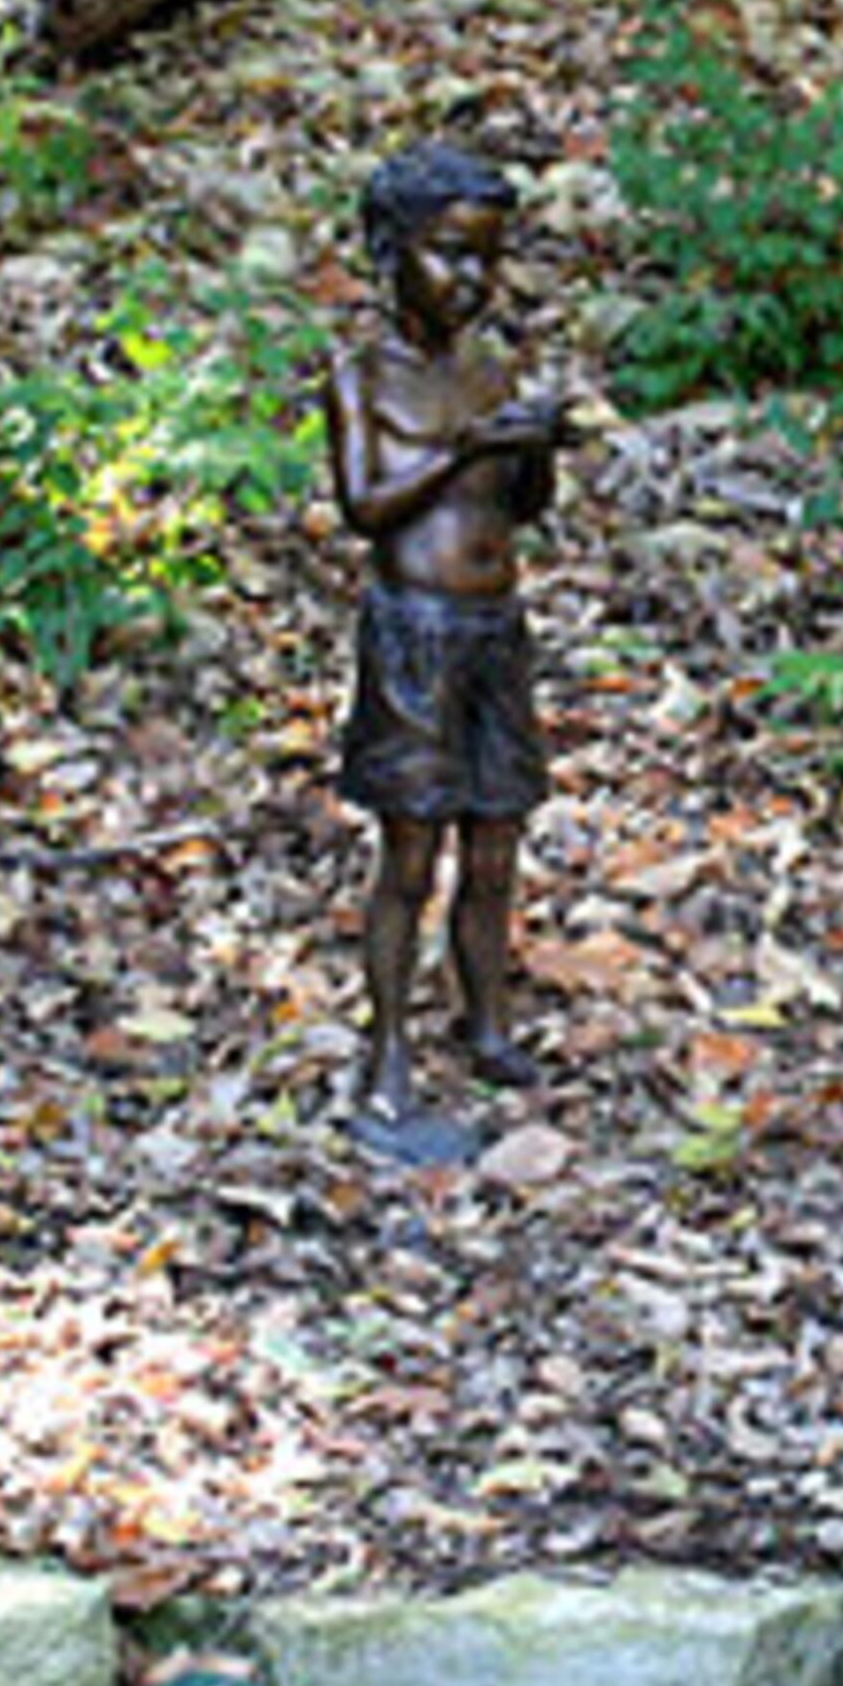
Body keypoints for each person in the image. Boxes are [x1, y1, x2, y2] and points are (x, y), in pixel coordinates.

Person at [325, 142, 571, 1165]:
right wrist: (468, 447)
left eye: (488, 259)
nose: (471, 281)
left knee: (497, 835)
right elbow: (363, 504)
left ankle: (486, 1017)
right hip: (413, 632)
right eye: (449, 257)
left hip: (491, 626)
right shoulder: (362, 374)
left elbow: (521, 509)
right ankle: (383, 1049)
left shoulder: (488, 366)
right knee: (413, 847)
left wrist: (534, 450)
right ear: (390, 254)